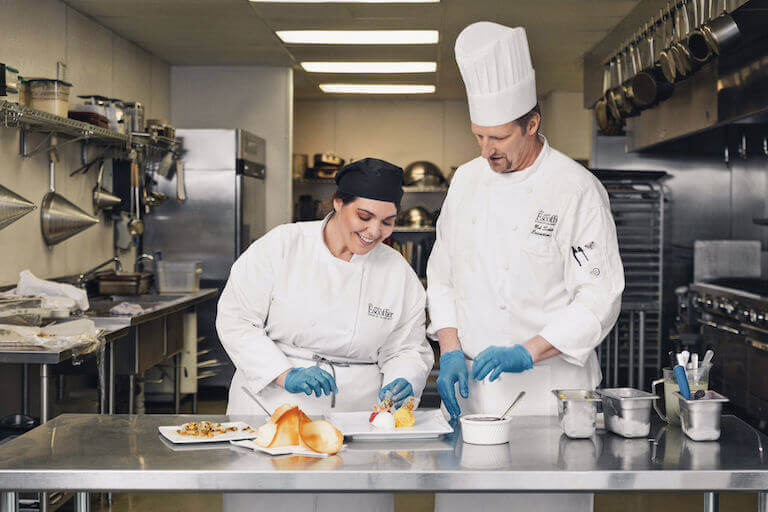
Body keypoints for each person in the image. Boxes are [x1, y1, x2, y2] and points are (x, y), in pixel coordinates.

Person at [427, 22, 625, 511]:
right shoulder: (467, 182)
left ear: (532, 124)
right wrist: (449, 348)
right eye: (478, 137)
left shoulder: (576, 189)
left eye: (498, 137)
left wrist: (527, 352)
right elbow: (443, 273)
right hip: (474, 393)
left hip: (549, 393)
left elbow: (599, 296)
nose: (487, 151)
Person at [217, 157, 434, 512]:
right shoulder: (282, 247)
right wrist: (285, 374)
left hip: (358, 423)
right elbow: (236, 320)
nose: (374, 232)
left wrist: (403, 379)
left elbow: (408, 347)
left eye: (387, 222)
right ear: (337, 203)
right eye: (364, 217)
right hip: (273, 413)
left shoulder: (397, 271)